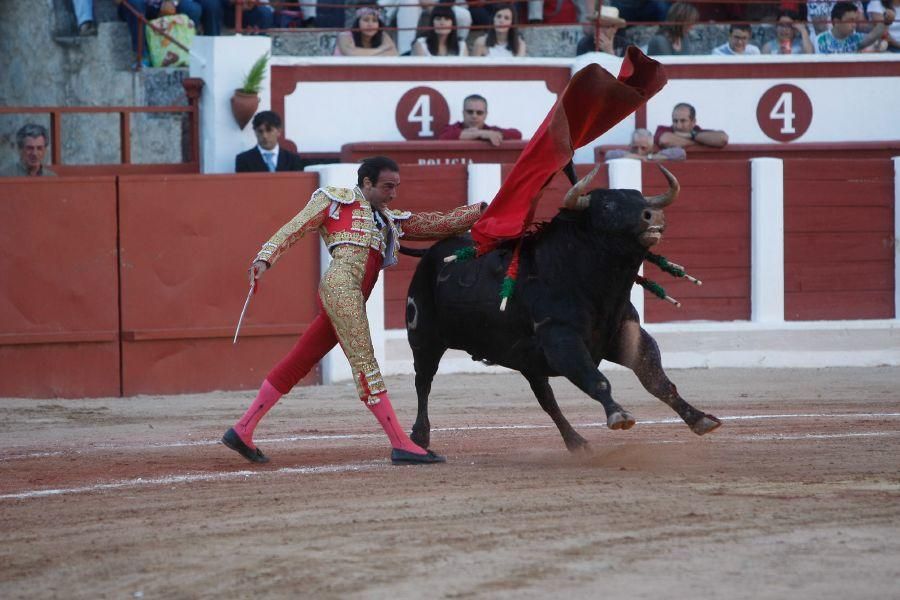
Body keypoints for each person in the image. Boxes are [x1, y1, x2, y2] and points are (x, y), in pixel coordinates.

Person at [222, 156, 485, 465]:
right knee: (365, 362)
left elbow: (436, 224)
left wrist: (480, 212)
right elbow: (294, 227)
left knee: (298, 360)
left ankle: (242, 429)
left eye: (396, 187)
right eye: (388, 187)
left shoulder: (388, 219)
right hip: (341, 289)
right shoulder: (334, 201)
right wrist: (265, 257)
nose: (393, 194)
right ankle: (401, 443)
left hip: (352, 295)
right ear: (367, 183)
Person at [235, 111, 307, 173]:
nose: (264, 136)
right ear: (255, 132)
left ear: (279, 131)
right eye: (260, 131)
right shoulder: (243, 160)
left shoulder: (293, 160)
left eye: (269, 130)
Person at [438, 94, 523, 146]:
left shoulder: (491, 131)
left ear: (486, 115)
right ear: (463, 113)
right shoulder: (452, 129)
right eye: (470, 112)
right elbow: (443, 137)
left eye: (479, 113)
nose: (474, 116)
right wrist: (480, 134)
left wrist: (495, 134)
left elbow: (517, 134)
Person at [817, 2, 895, 53]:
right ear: (836, 22)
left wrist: (886, 22)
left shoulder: (855, 37)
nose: (854, 25)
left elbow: (872, 36)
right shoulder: (821, 40)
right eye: (850, 20)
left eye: (855, 20)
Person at [654, 102, 728, 150]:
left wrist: (691, 135)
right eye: (675, 121)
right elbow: (665, 140)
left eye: (683, 121)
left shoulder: (698, 131)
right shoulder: (662, 129)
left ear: (693, 122)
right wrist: (699, 142)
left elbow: (723, 139)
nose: (678, 126)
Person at [334, 5, 398, 56]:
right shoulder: (345, 36)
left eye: (375, 21)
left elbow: (394, 54)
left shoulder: (383, 35)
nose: (370, 24)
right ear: (357, 23)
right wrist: (381, 50)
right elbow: (352, 54)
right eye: (366, 20)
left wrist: (361, 53)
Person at [604, 128, 686, 161]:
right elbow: (609, 155)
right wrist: (642, 158)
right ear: (630, 146)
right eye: (635, 147)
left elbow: (680, 153)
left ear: (652, 147)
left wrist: (648, 157)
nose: (639, 151)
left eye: (643, 148)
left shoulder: (657, 155)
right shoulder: (626, 154)